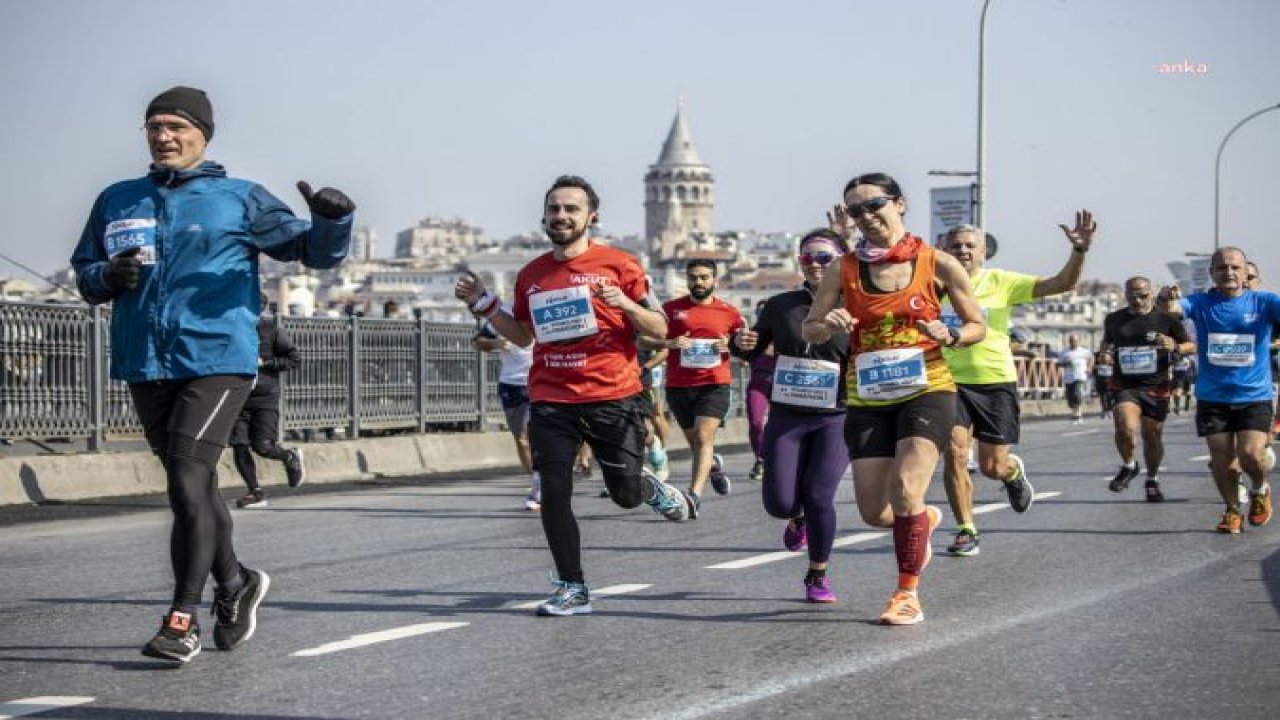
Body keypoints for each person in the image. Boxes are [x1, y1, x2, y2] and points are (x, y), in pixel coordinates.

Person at [69, 86, 354, 662]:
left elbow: (312, 252)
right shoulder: (117, 198)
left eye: (176, 126)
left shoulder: (239, 198)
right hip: (144, 360)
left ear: (204, 134)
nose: (165, 136)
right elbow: (84, 270)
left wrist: (333, 221)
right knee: (191, 488)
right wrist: (106, 277)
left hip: (218, 357)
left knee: (185, 475)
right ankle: (237, 581)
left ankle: (181, 620)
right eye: (154, 126)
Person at [453, 175, 690, 617]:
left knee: (623, 494)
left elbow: (660, 331)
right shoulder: (532, 274)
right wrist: (483, 304)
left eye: (571, 209)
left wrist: (625, 304)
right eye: (554, 209)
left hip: (612, 394)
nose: (561, 216)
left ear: (591, 217)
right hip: (551, 395)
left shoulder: (621, 265)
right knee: (554, 490)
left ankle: (646, 487)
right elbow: (522, 336)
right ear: (544, 216)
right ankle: (572, 586)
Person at [803, 172, 986, 625]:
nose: (866, 216)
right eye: (855, 210)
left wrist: (953, 333)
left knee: (906, 489)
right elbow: (810, 327)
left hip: (928, 388)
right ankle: (922, 519)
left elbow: (978, 325)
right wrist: (830, 322)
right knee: (874, 511)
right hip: (868, 395)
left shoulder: (937, 262)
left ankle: (907, 594)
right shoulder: (842, 268)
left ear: (899, 204)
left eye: (874, 205)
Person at [937, 214, 1096, 557]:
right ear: (943, 251)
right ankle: (966, 528)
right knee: (955, 454)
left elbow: (1062, 284)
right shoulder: (932, 285)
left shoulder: (1001, 281)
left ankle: (1011, 473)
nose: (963, 251)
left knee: (992, 465)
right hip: (948, 381)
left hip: (995, 382)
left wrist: (1079, 251)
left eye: (970, 246)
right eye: (955, 246)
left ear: (983, 252)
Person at [733, 229, 850, 602]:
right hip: (788, 413)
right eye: (807, 258)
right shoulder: (781, 304)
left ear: (840, 262)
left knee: (819, 495)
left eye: (824, 258)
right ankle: (796, 518)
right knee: (780, 503)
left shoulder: (856, 305)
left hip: (837, 414)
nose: (815, 265)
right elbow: (755, 349)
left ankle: (818, 574)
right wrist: (743, 344)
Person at [1166, 248, 1280, 532]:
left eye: (1234, 267)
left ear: (1245, 272)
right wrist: (1166, 300)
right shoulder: (1201, 302)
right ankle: (1231, 510)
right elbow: (1175, 309)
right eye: (1221, 268)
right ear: (1212, 273)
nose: (1228, 272)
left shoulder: (1265, 302)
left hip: (1254, 395)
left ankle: (1259, 488)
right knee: (1221, 457)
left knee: (1251, 454)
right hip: (1213, 396)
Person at [650, 259, 746, 517]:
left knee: (704, 438)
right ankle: (713, 465)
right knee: (696, 443)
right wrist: (670, 343)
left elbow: (745, 345)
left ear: (715, 280)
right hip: (680, 386)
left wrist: (732, 347)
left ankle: (693, 495)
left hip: (714, 384)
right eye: (693, 277)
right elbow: (643, 338)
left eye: (704, 277)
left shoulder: (730, 312)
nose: (698, 282)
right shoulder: (669, 309)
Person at [1099, 277, 1194, 502]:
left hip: (1156, 387)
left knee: (1152, 436)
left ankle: (1152, 478)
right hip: (1125, 385)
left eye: (1142, 295)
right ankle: (1129, 464)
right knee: (1125, 426)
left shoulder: (1166, 319)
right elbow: (1107, 344)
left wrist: (1176, 346)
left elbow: (1191, 346)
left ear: (1150, 294)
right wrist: (1104, 355)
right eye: (1132, 295)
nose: (1137, 300)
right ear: (1126, 295)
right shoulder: (1114, 319)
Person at [232, 293, 306, 509]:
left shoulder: (271, 330)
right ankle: (255, 491)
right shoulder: (232, 330)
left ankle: (288, 456)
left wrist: (265, 362)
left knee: (262, 446)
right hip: (238, 396)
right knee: (239, 445)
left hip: (265, 397)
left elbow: (294, 359)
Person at [473, 306, 539, 510]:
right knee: (520, 439)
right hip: (510, 384)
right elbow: (477, 342)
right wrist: (497, 343)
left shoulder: (542, 308)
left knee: (535, 435)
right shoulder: (503, 315)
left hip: (539, 382)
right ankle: (536, 479)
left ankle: (539, 486)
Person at [744, 300, 775, 482]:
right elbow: (738, 350)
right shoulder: (754, 336)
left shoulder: (787, 334)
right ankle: (760, 459)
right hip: (758, 382)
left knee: (779, 424)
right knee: (756, 422)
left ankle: (779, 458)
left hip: (783, 385)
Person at [1057, 335, 1093, 423]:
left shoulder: (1084, 351)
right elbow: (1059, 364)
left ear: (1079, 341)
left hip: (1080, 376)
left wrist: (1089, 367)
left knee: (1077, 394)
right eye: (1071, 341)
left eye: (1075, 341)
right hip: (1068, 377)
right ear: (1069, 341)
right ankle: (1075, 411)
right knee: (1070, 399)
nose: (1073, 343)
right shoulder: (1064, 352)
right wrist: (1066, 363)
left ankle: (1078, 413)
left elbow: (1091, 358)